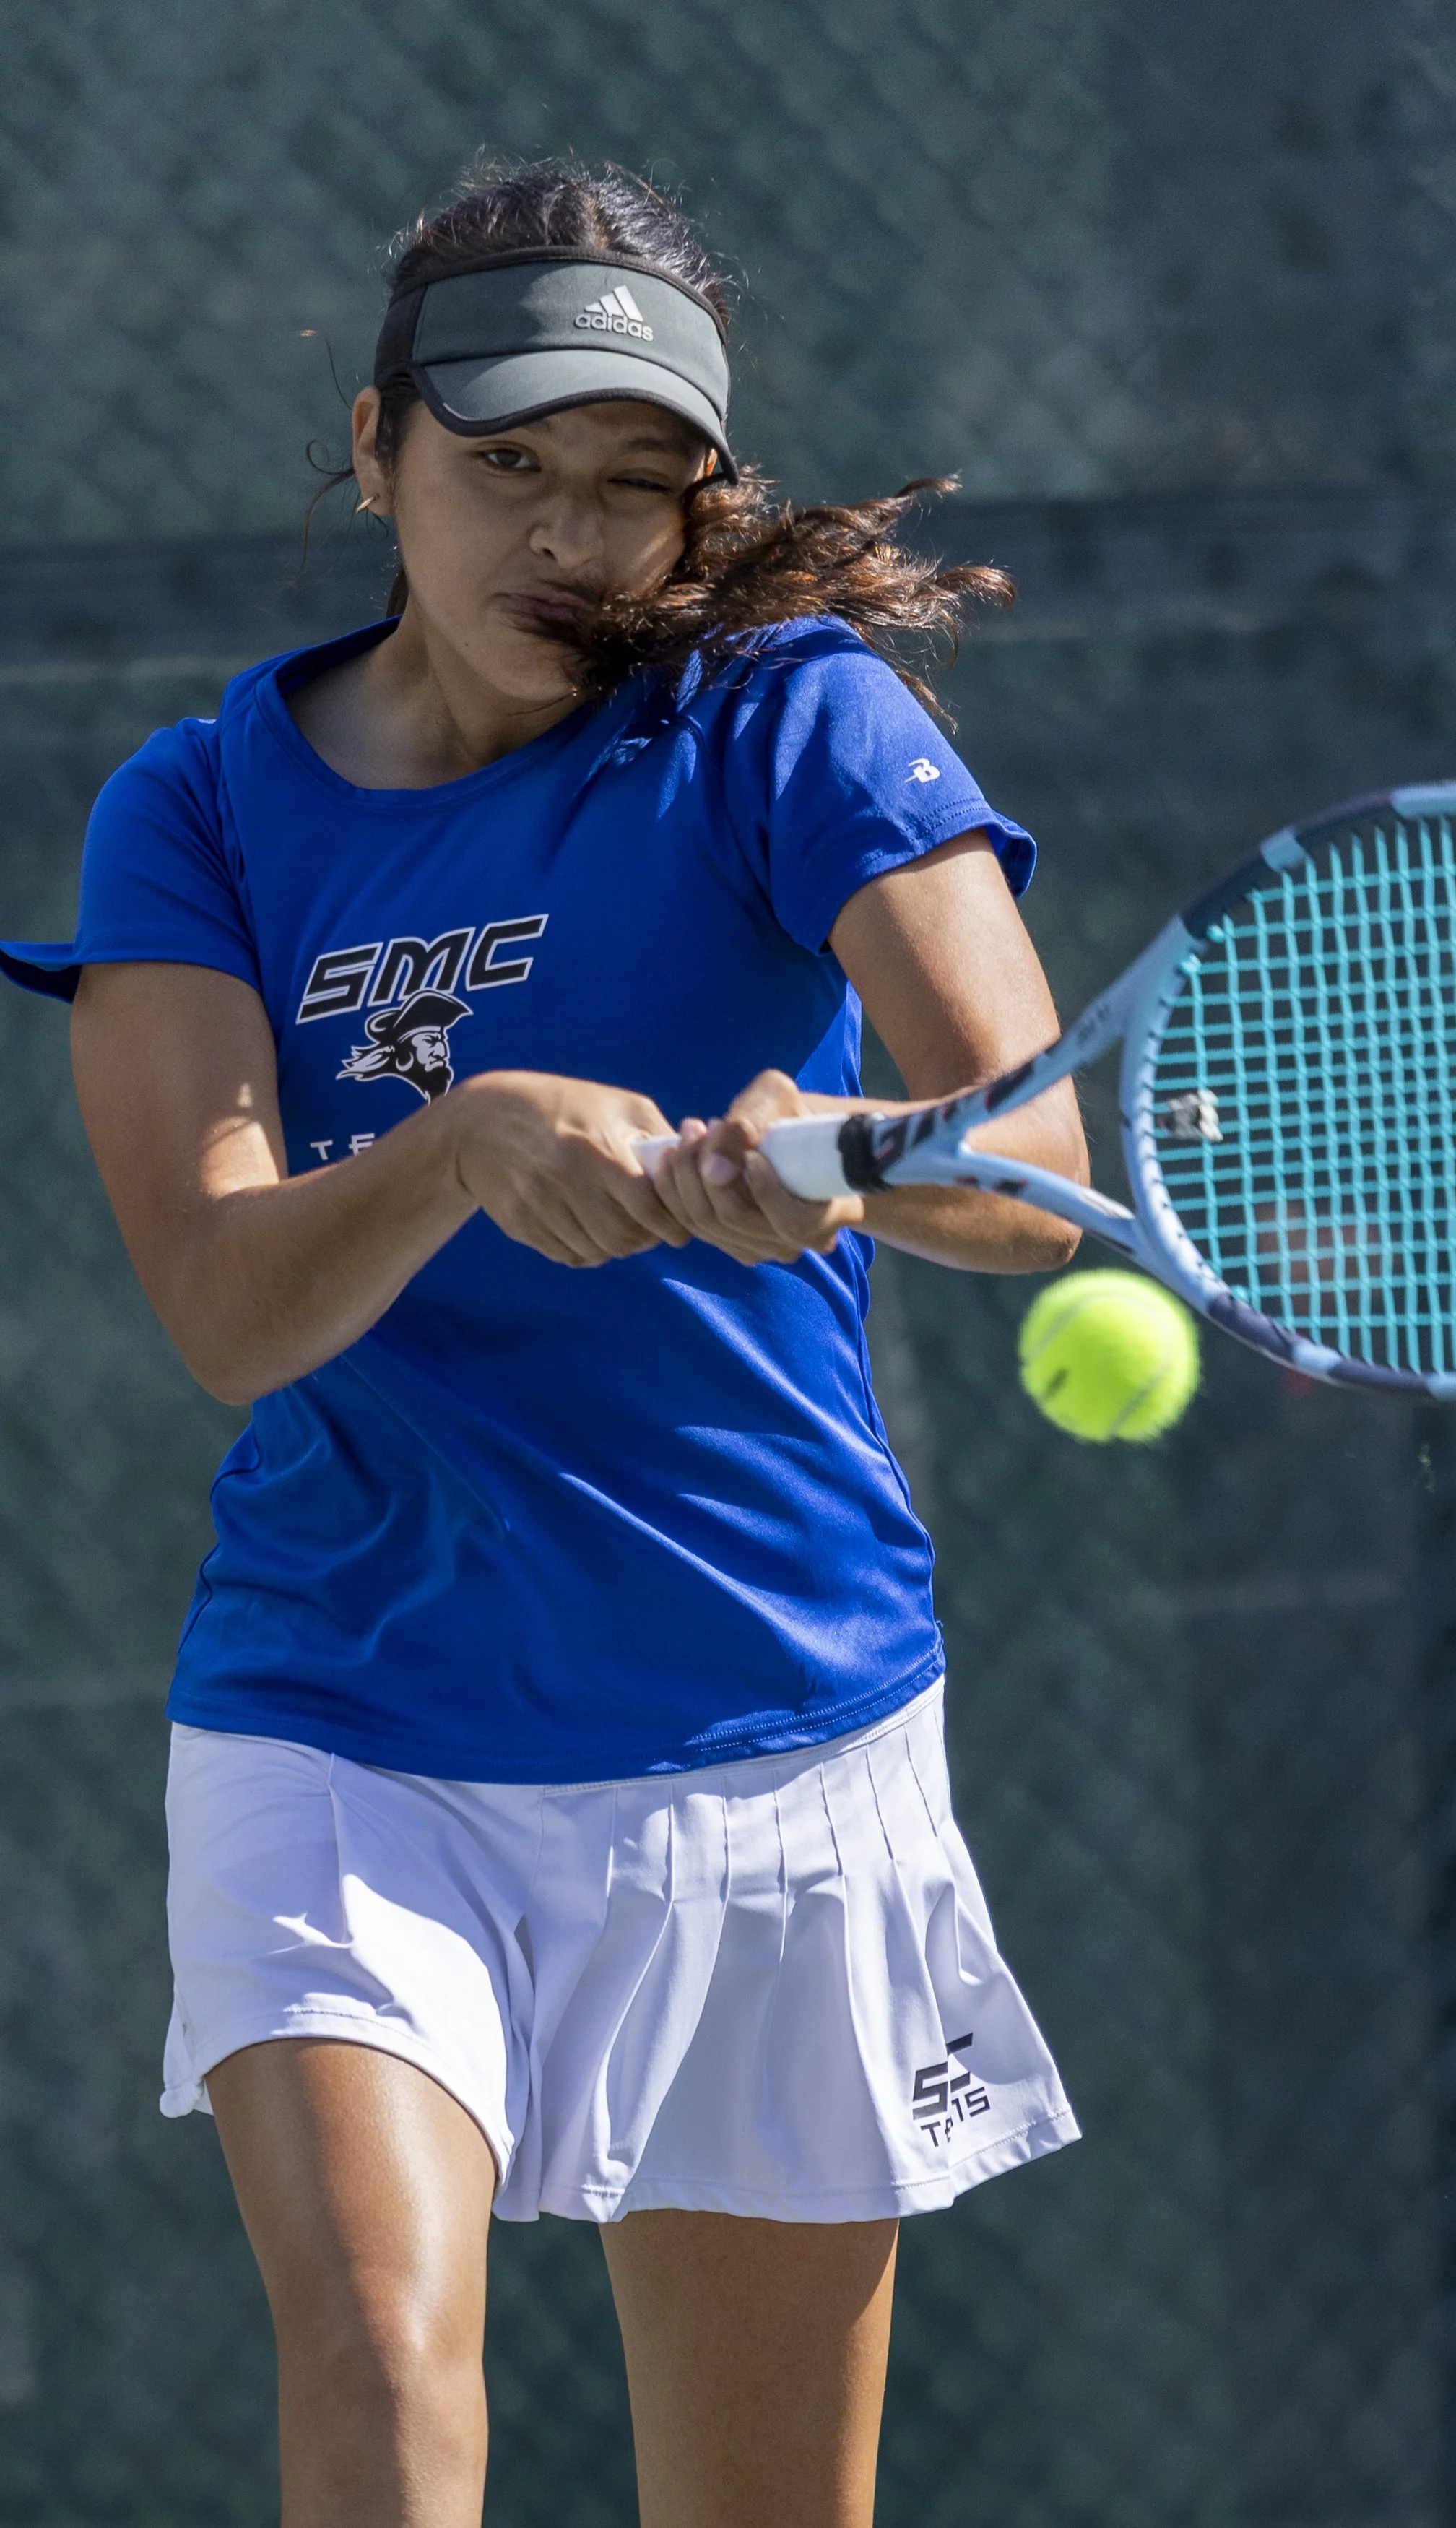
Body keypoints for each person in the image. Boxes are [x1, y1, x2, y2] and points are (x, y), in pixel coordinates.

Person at [0, 159, 1088, 2528]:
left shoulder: (792, 717)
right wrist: (458, 1141)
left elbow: (1020, 1158)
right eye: (506, 465)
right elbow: (220, 1302)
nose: (569, 537)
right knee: (386, 2382)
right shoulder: (190, 810)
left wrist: (840, 1144)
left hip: (770, 1723)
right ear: (377, 445)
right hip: (348, 1715)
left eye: (634, 486)